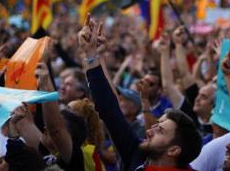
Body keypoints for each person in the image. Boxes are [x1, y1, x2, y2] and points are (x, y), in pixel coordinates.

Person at [79, 16, 202, 171]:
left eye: (160, 131)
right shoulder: (138, 154)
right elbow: (109, 110)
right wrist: (91, 54)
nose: (149, 131)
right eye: (156, 126)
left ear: (174, 150)